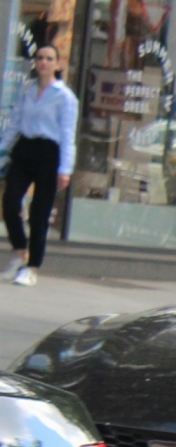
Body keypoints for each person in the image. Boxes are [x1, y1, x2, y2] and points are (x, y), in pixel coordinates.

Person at [4, 43, 77, 287]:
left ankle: (32, 267)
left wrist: (65, 169)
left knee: (39, 213)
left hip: (48, 153)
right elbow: (14, 122)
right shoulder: (27, 89)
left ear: (57, 64)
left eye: (49, 58)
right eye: (40, 58)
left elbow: (68, 135)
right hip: (25, 148)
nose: (43, 62)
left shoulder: (64, 97)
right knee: (10, 203)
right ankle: (20, 253)